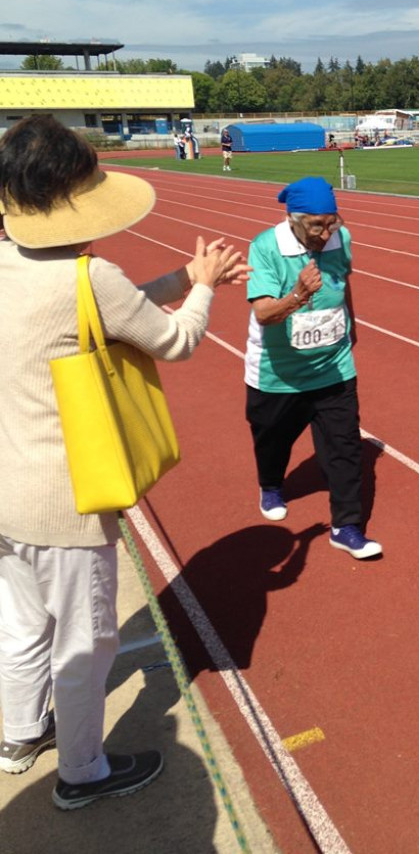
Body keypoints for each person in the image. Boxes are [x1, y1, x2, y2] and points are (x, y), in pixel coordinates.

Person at [0, 115, 250, 808]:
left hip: (6, 492)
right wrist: (201, 287)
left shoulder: (9, 263)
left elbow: (98, 313)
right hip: (67, 498)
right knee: (84, 644)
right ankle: (82, 772)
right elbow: (171, 341)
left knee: (21, 624)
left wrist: (182, 276)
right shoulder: (90, 274)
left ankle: (19, 735)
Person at [244, 176, 382, 561]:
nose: (325, 233)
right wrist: (299, 295)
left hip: (333, 368)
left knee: (344, 449)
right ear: (293, 219)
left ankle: (347, 527)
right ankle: (270, 484)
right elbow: (264, 313)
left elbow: (344, 283)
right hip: (278, 373)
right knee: (271, 441)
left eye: (331, 222)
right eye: (316, 226)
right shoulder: (266, 247)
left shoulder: (341, 238)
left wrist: (351, 323)